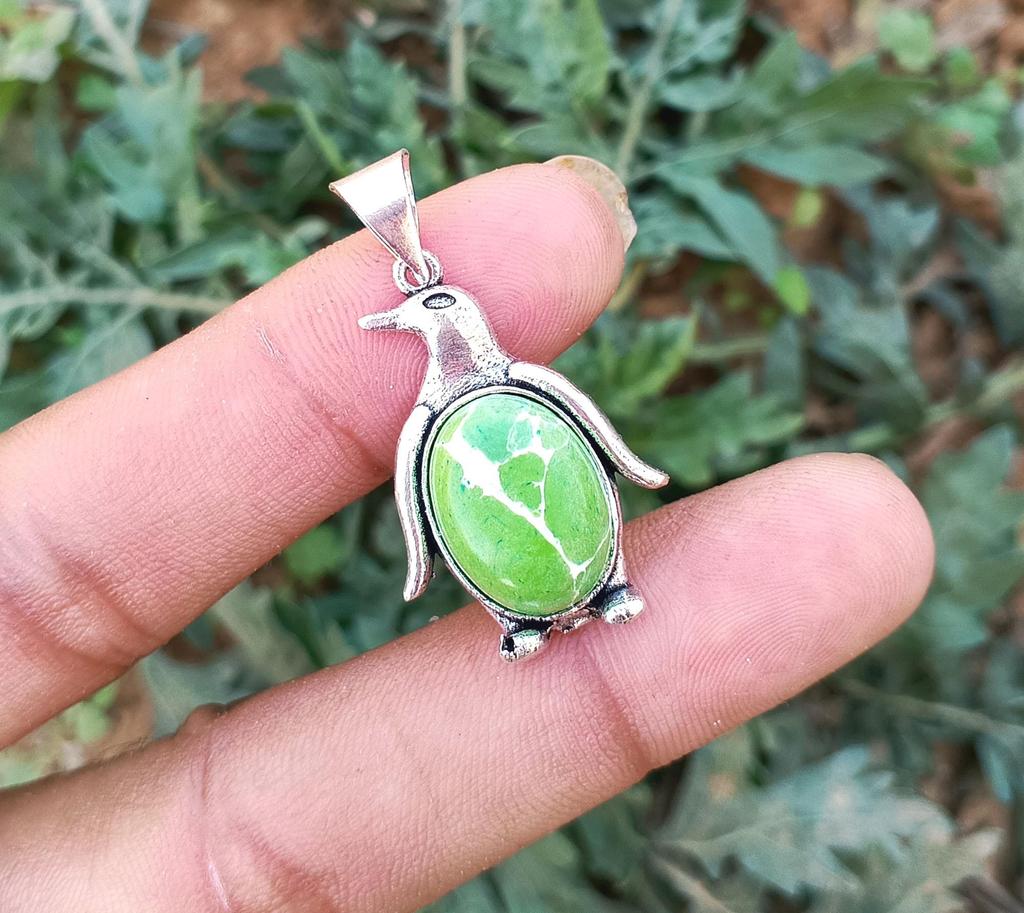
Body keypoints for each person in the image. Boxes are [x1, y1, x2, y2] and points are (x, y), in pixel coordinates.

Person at [0, 160, 934, 912]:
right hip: (501, 547)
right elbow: (419, 497)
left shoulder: (511, 386)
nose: (410, 321)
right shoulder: (425, 420)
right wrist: (418, 557)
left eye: (421, 313)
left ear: (452, 314)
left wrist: (632, 465)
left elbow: (589, 430)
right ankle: (525, 614)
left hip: (578, 532)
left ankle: (600, 584)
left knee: (583, 528)